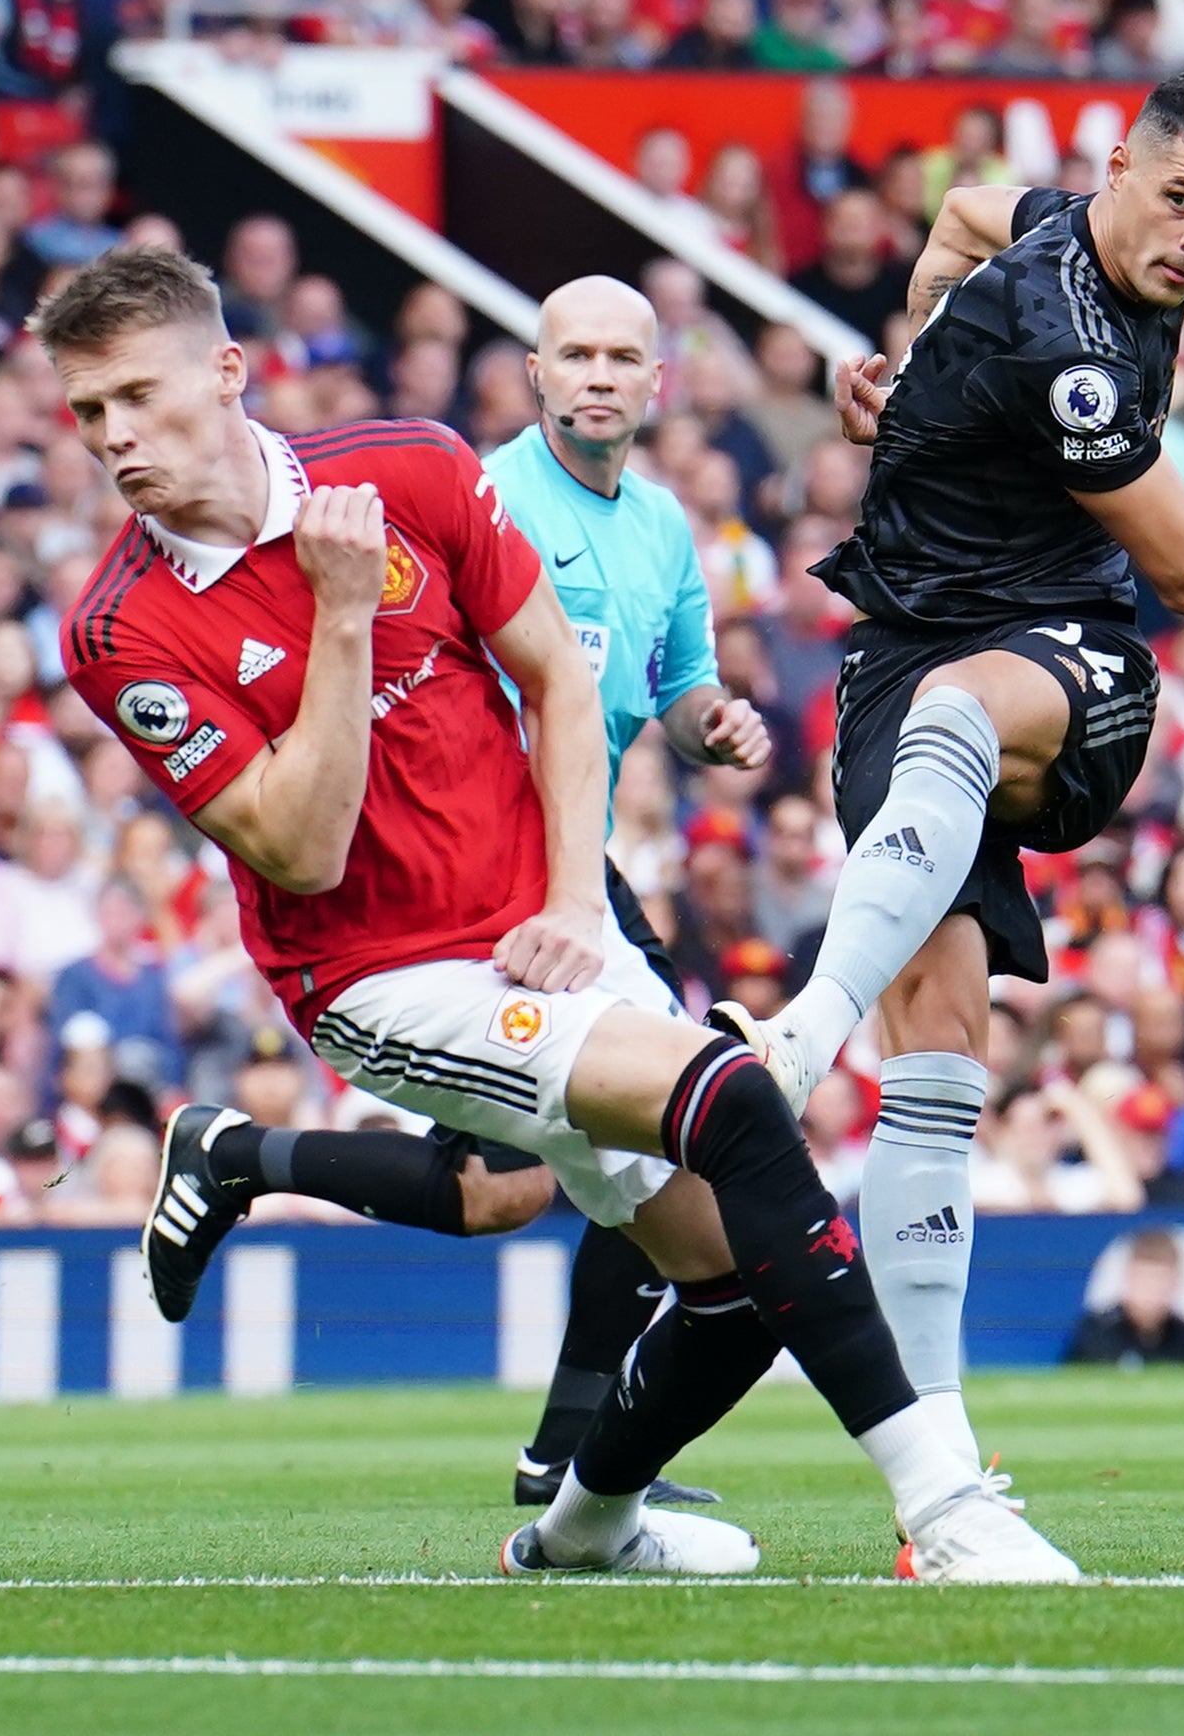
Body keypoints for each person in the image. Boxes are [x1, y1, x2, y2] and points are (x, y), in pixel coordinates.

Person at [42, 244, 1069, 1582]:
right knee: (734, 1100)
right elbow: (297, 849)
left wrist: (576, 898)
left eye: (138, 396)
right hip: (381, 977)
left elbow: (559, 683)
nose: (116, 436)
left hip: (541, 920)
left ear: (227, 372)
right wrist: (343, 618)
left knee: (735, 1281)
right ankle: (944, 1505)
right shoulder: (117, 629)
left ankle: (583, 1530)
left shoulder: (408, 466)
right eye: (86, 413)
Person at [706, 70, 1184, 1567]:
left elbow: (959, 210)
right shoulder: (1074, 347)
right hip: (903, 648)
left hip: (1069, 660)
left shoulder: (1062, 227)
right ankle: (941, 1495)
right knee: (938, 1043)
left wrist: (905, 351)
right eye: (1179, 201)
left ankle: (797, 1034)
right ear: (1123, 166)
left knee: (964, 715)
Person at [142, 275, 772, 1513]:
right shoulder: (472, 490)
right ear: (533, 377)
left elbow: (676, 685)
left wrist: (716, 723)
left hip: (571, 876)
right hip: (485, 886)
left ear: (659, 383)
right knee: (633, 1141)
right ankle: (583, 1444)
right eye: (572, 354)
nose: (597, 375)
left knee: (530, 1185)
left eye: (620, 357)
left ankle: (244, 1162)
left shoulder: (661, 526)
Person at [1063, 1231, 1184, 1367]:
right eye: (1145, 1281)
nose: (1152, 1292)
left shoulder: (1182, 1335)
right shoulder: (1098, 1332)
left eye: (1161, 1282)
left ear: (1175, 1284)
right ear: (1129, 1277)